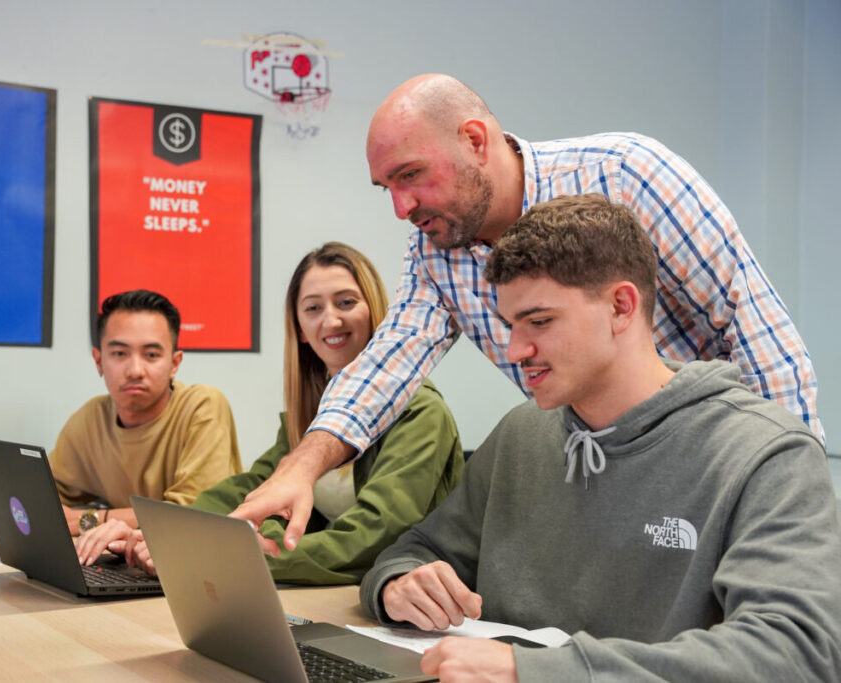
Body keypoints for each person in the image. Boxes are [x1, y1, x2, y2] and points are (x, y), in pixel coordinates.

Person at [231, 73, 822, 557]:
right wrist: (302, 466)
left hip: (712, 472)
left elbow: (756, 332)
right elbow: (385, 364)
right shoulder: (439, 252)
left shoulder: (626, 175)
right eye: (384, 186)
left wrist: (793, 507)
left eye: (410, 175)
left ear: (475, 141)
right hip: (602, 482)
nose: (400, 207)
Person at [358, 195, 841, 682]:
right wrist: (398, 584)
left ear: (621, 307)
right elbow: (417, 549)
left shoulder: (767, 455)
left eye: (540, 321)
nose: (515, 349)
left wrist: (536, 673)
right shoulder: (520, 435)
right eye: (511, 325)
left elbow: (797, 653)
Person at [76, 243, 466, 580]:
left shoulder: (420, 411)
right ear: (298, 327)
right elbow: (250, 489)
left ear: (376, 312)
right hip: (334, 595)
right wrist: (161, 534)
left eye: (346, 302)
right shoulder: (313, 414)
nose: (331, 320)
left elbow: (369, 539)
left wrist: (219, 554)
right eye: (312, 308)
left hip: (404, 602)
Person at [51, 289, 241, 537]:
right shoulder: (90, 418)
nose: (135, 370)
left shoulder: (202, 407)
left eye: (151, 355)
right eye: (119, 354)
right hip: (130, 559)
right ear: (99, 361)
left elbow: (194, 516)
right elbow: (43, 494)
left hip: (202, 558)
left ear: (174, 364)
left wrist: (89, 519)